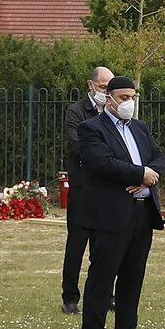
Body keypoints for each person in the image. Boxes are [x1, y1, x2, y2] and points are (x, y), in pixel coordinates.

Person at [71, 75, 165, 329]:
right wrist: (140, 173)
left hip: (141, 212)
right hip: (109, 213)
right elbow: (101, 162)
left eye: (133, 97)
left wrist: (148, 176)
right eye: (124, 97)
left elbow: (159, 157)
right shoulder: (92, 128)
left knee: (133, 274)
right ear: (109, 98)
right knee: (103, 273)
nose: (129, 102)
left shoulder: (140, 128)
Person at [60, 64, 115, 314]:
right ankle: (70, 297)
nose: (107, 92)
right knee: (77, 243)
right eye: (103, 87)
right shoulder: (77, 111)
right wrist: (104, 155)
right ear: (91, 85)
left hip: (108, 186)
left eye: (109, 88)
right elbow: (78, 144)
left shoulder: (115, 111)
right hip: (83, 186)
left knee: (105, 244)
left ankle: (107, 294)